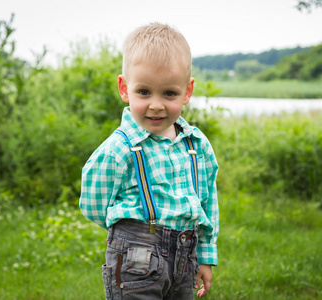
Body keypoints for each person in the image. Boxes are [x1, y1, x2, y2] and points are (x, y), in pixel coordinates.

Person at [79, 23, 219, 300]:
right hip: (136, 257)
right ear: (124, 88)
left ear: (187, 92)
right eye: (144, 92)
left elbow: (207, 202)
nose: (156, 105)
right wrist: (128, 230)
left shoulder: (196, 145)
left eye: (169, 93)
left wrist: (205, 255)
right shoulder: (120, 148)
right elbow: (93, 203)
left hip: (185, 254)